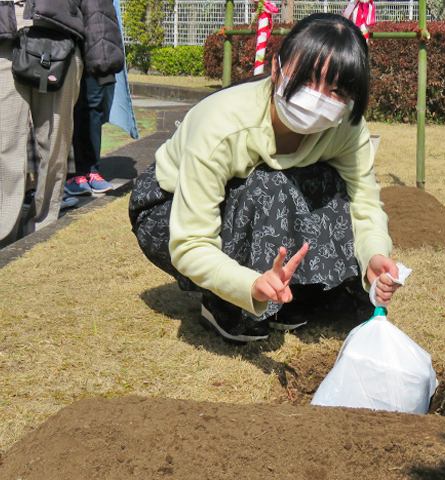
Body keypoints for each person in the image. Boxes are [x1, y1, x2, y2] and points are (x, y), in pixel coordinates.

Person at [130, 13, 402, 343]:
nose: (318, 98)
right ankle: (224, 304)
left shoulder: (347, 129)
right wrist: (247, 286)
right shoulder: (222, 124)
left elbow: (364, 201)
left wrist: (374, 252)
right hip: (167, 209)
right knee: (269, 184)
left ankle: (287, 296)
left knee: (322, 183)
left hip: (250, 200)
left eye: (336, 91)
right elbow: (190, 242)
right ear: (276, 69)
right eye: (307, 79)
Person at [0, 0, 84, 248]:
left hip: (61, 35)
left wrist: (105, 56)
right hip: (5, 31)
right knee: (5, 141)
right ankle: (4, 235)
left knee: (55, 142)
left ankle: (42, 228)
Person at [64, 0, 128, 196]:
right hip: (66, 40)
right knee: (70, 108)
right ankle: (74, 172)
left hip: (96, 42)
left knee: (93, 108)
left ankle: (91, 170)